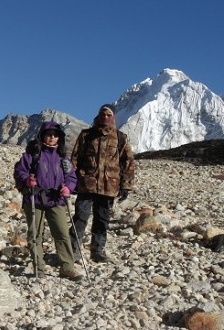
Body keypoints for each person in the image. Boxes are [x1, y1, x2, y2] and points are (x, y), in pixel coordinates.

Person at [13, 121, 83, 281]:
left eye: (55, 135)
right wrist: (26, 181)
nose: (52, 137)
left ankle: (67, 268)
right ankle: (39, 268)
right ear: (42, 136)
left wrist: (69, 188)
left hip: (56, 199)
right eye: (49, 134)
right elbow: (20, 171)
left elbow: (71, 177)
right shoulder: (31, 154)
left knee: (62, 234)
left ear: (59, 138)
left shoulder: (63, 157)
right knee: (35, 235)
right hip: (34, 198)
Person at [69, 104, 135, 263]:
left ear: (114, 117)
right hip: (86, 184)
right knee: (80, 217)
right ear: (98, 116)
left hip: (109, 187)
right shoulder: (86, 135)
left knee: (102, 220)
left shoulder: (121, 138)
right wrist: (70, 180)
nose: (105, 117)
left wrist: (126, 185)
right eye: (102, 114)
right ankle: (72, 251)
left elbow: (128, 163)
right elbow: (75, 159)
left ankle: (97, 251)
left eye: (109, 115)